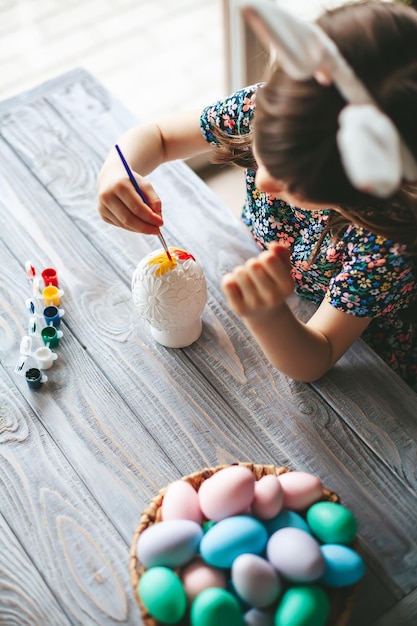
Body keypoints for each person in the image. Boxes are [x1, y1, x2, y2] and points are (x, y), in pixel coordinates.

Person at [97, 0, 417, 391]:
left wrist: (269, 316)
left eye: (293, 184)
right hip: (272, 269)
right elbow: (159, 137)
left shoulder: (389, 241)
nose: (263, 183)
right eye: (264, 151)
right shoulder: (270, 109)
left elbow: (318, 356)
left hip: (365, 344)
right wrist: (119, 169)